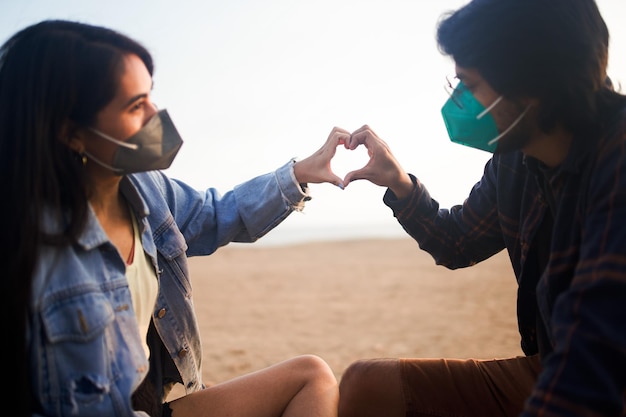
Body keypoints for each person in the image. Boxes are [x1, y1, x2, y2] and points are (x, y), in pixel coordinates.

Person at [0, 20, 348, 417]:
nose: (156, 115)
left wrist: (298, 174)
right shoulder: (23, 245)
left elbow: (216, 213)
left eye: (151, 96)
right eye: (135, 106)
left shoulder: (146, 188)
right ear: (70, 133)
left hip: (151, 405)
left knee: (312, 376)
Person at [336, 0, 626, 416]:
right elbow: (457, 242)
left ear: (532, 86)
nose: (459, 102)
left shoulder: (617, 156)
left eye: (469, 86)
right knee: (367, 386)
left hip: (604, 376)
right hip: (556, 365)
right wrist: (399, 183)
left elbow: (596, 355)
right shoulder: (517, 161)